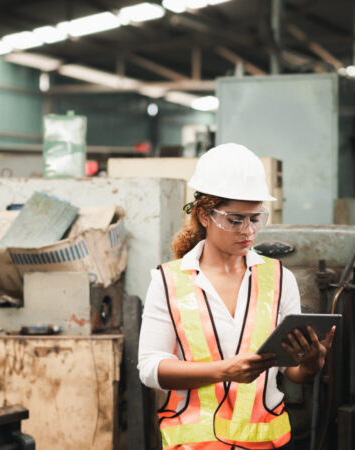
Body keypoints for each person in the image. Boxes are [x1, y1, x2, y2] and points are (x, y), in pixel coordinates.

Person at [138, 143, 335, 450]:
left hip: (267, 444)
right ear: (204, 215)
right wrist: (223, 371)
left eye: (255, 218)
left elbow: (294, 373)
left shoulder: (280, 279)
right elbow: (151, 369)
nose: (248, 231)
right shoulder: (167, 280)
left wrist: (312, 362)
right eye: (235, 220)